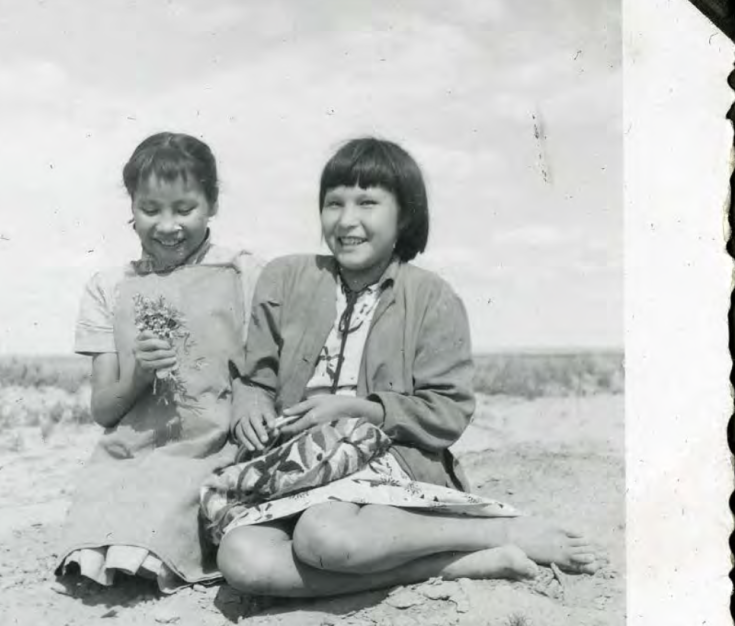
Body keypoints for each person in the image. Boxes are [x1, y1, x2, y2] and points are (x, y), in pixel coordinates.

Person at [215, 137, 605, 598]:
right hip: (292, 468)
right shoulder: (285, 277)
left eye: (368, 202)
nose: (346, 220)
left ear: (405, 215)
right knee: (241, 559)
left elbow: (448, 412)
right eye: (333, 203)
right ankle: (451, 564)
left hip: (389, 465)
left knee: (324, 536)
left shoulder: (432, 297)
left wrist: (360, 410)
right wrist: (250, 405)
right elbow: (254, 376)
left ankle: (500, 532)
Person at [58, 132, 259, 591]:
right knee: (95, 539)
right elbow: (104, 410)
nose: (167, 226)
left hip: (216, 445)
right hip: (130, 451)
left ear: (212, 204)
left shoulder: (243, 273)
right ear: (131, 206)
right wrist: (139, 374)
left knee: (153, 529)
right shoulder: (107, 287)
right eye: (151, 210)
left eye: (184, 209)